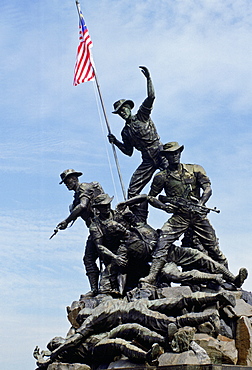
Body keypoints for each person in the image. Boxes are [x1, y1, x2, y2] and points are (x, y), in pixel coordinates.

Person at [36, 291, 235, 365]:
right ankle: (215, 300)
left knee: (172, 323)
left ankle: (179, 335)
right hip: (141, 304)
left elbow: (73, 340)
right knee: (178, 301)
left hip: (137, 313)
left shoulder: (93, 320)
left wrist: (49, 357)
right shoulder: (104, 303)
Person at [140, 142, 229, 285]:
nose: (174, 156)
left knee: (213, 247)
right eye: (171, 154)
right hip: (179, 217)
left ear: (180, 153)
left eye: (176, 152)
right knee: (162, 242)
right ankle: (152, 276)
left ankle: (229, 278)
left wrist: (201, 203)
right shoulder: (161, 177)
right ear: (166, 156)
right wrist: (164, 207)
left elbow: (208, 188)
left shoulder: (195, 169)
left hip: (197, 215)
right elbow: (150, 197)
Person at [108, 66, 166, 200]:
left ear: (129, 108)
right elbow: (129, 152)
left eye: (124, 110)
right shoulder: (125, 132)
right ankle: (135, 218)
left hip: (159, 152)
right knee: (133, 190)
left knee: (172, 178)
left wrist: (148, 79)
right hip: (146, 159)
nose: (122, 113)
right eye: (120, 112)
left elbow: (151, 97)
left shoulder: (142, 116)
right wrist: (115, 141)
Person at [54, 169, 105, 294]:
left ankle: (105, 286)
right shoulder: (76, 195)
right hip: (94, 228)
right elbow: (77, 211)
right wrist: (65, 224)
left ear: (74, 178)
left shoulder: (84, 187)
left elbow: (82, 206)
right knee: (88, 259)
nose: (66, 184)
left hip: (101, 225)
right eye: (65, 182)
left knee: (101, 256)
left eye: (67, 181)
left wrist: (66, 220)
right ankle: (94, 289)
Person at [34, 324, 164, 368]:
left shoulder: (71, 337)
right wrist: (42, 357)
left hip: (103, 335)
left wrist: (47, 353)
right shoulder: (63, 353)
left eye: (56, 339)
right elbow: (45, 364)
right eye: (54, 342)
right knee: (118, 344)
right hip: (95, 349)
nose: (57, 340)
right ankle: (146, 356)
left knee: (129, 327)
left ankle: (164, 339)